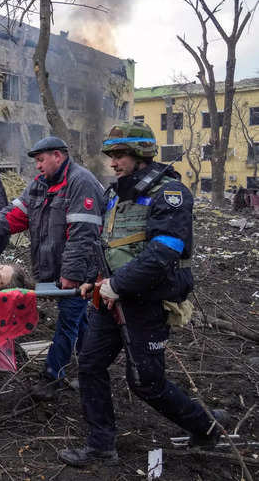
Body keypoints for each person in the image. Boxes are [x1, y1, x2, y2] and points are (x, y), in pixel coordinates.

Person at [58, 122, 230, 467]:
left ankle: (207, 428)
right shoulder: (115, 194)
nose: (113, 162)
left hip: (146, 302)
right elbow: (109, 246)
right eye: (112, 155)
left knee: (146, 383)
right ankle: (101, 448)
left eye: (120, 155)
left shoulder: (170, 194)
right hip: (110, 301)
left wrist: (117, 285)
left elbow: (164, 252)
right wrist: (97, 279)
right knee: (90, 365)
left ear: (141, 155)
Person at [0, 136, 104, 400]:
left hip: (80, 270)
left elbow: (83, 234)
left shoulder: (80, 183)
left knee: (68, 320)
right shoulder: (39, 186)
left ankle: (52, 376)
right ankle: (92, 367)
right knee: (79, 318)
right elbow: (15, 214)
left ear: (57, 156)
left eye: (40, 160)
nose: (37, 166)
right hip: (56, 269)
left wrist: (70, 274)